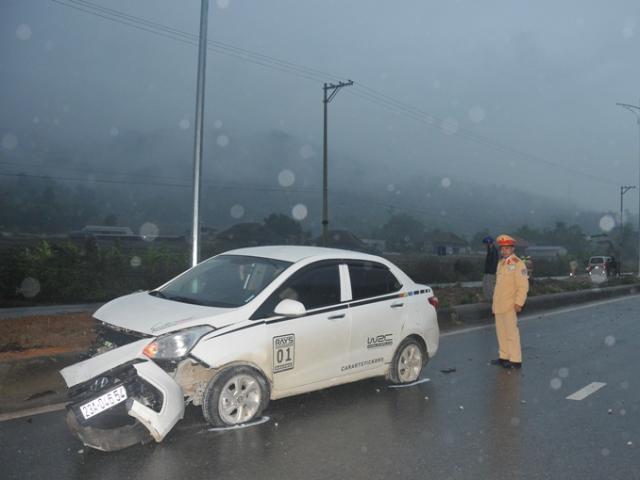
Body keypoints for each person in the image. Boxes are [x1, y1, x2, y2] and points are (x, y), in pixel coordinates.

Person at [490, 234, 529, 369]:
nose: (504, 251)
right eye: (502, 249)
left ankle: (515, 360)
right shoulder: (500, 263)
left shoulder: (518, 264)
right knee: (501, 333)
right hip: (499, 305)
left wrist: (519, 302)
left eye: (507, 248)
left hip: (510, 305)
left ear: (512, 249)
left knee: (512, 333)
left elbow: (523, 286)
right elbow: (498, 285)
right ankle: (504, 357)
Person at [482, 236, 499, 302]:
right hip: (487, 271)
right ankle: (487, 298)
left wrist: (492, 271)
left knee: (490, 285)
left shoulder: (494, 250)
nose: (485, 245)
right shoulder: (490, 250)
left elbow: (495, 261)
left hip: (491, 271)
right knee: (485, 284)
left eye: (486, 243)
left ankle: (493, 299)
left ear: (489, 243)